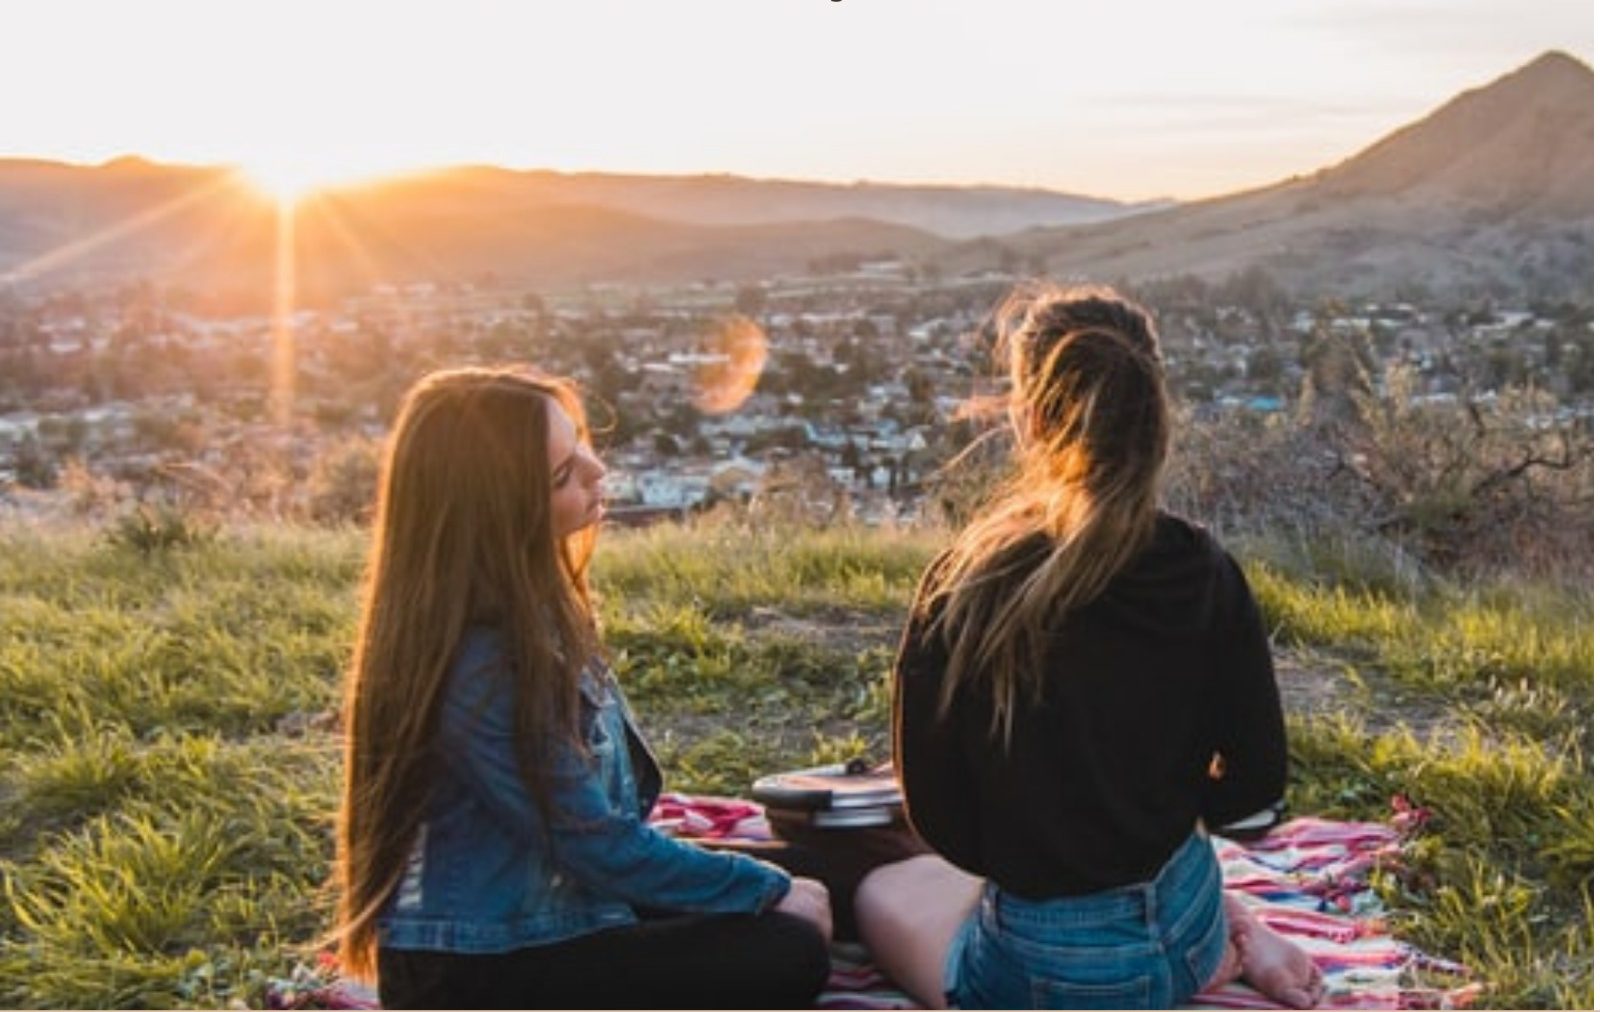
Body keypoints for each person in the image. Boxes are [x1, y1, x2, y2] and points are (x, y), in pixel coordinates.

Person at [853, 286, 1325, 1010]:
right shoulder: (1204, 569)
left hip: (1051, 970)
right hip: (1185, 919)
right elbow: (1256, 784)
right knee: (1143, 902)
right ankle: (1224, 944)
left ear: (1033, 419)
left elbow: (939, 816)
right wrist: (1154, 816)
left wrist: (1038, 845)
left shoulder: (969, 584)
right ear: (1150, 411)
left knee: (885, 888)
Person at [332, 366, 832, 1009]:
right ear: (503, 513)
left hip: (558, 902)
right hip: (481, 970)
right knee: (788, 947)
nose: (598, 471)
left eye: (581, 445)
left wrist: (768, 882)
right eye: (564, 474)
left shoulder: (529, 605)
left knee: (822, 875)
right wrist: (766, 889)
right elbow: (597, 844)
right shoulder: (482, 664)